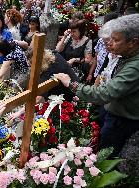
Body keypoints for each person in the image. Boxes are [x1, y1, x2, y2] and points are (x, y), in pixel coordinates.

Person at [54, 14, 139, 157]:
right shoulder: (126, 57)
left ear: (133, 42)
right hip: (112, 111)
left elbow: (105, 93)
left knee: (105, 155)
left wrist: (71, 84)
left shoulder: (134, 67)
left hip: (121, 120)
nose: (110, 43)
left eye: (116, 40)